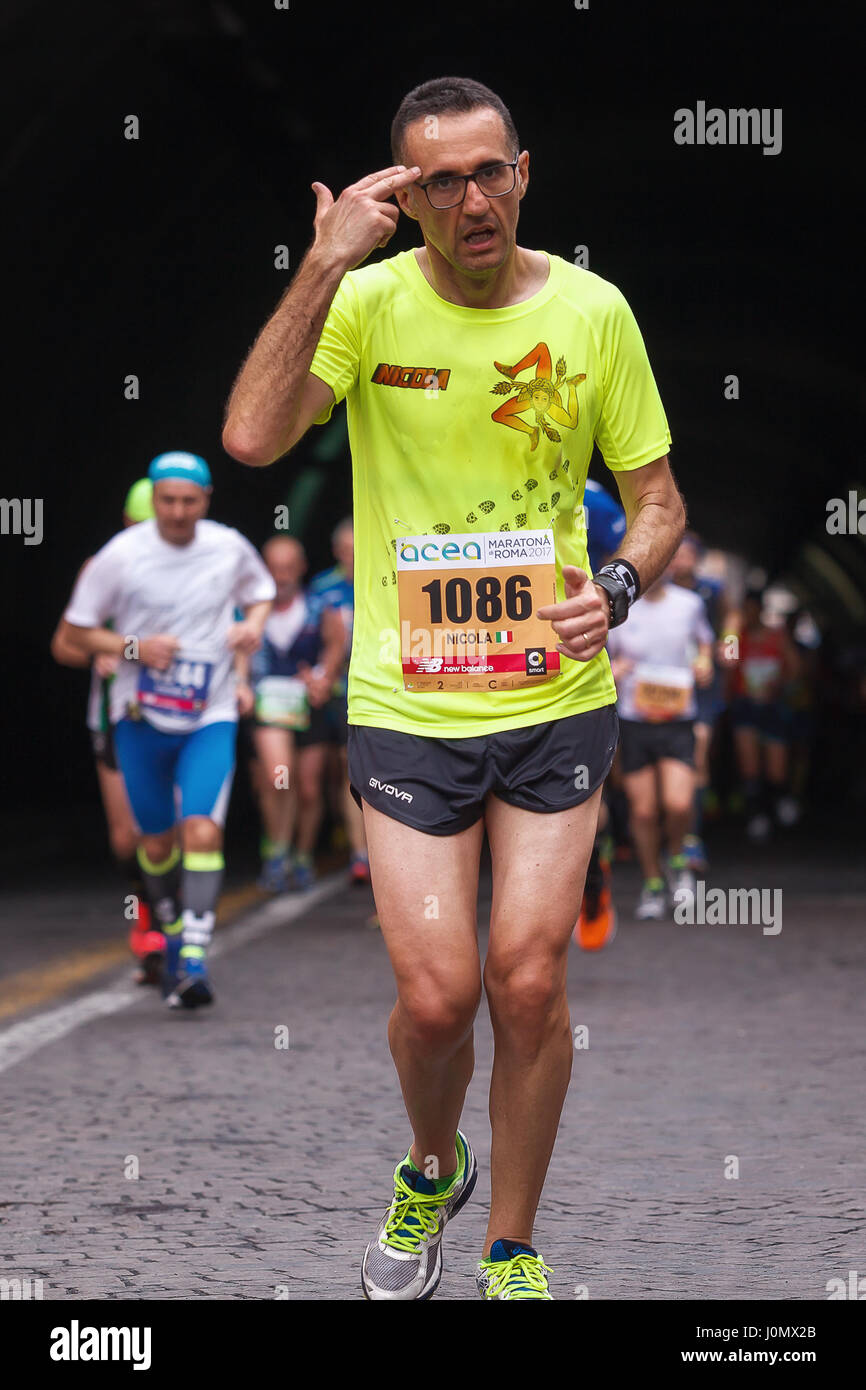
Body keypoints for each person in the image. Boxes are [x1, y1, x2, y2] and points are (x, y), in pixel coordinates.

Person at [222, 77, 684, 1300]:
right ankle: (433, 1164)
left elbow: (657, 503)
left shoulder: (592, 313)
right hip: (406, 705)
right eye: (439, 180)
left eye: (489, 172)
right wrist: (321, 266)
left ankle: (513, 1247)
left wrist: (622, 586)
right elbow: (255, 440)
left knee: (527, 975)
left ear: (523, 172)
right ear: (404, 193)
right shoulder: (367, 304)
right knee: (434, 1000)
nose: (470, 199)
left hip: (553, 693)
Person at [59, 451, 275, 1008]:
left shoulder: (227, 546)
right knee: (152, 843)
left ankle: (195, 955)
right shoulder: (120, 556)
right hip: (140, 716)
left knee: (200, 830)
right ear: (153, 499)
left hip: (210, 711)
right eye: (168, 500)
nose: (178, 512)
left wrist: (250, 628)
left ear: (206, 501)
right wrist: (135, 648)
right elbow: (75, 633)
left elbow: (261, 593)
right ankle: (172, 927)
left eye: (190, 501)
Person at [51, 478, 166, 984]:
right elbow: (64, 645)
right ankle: (147, 914)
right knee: (128, 838)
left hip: (181, 712)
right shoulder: (99, 570)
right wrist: (102, 649)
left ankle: (172, 929)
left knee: (174, 827)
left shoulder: (201, 565)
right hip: (116, 717)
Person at [606, 570, 714, 919]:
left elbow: (707, 644)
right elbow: (603, 659)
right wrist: (616, 669)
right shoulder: (620, 608)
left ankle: (678, 859)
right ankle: (652, 882)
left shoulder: (691, 604)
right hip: (635, 720)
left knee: (679, 803)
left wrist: (704, 663)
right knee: (643, 811)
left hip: (678, 718)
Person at [246, 534, 348, 892]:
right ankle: (278, 850)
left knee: (307, 787)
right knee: (279, 776)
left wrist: (323, 677)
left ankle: (302, 854)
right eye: (274, 569)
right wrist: (241, 685)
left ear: (302, 568)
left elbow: (337, 645)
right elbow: (236, 648)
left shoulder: (320, 605)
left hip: (310, 705)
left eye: (289, 568)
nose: (282, 576)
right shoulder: (250, 607)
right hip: (268, 705)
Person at [573, 479, 627, 949]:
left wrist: (600, 604)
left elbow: (626, 556)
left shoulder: (593, 496)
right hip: (486, 655)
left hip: (580, 650)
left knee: (590, 786)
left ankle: (592, 874)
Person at [307, 517, 370, 884]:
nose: (351, 558)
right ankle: (351, 843)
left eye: (356, 550)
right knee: (335, 774)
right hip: (332, 693)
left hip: (371, 692)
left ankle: (363, 852)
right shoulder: (322, 588)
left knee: (356, 769)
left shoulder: (384, 578)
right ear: (335, 553)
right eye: (345, 552)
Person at [668, 532, 729, 870]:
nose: (680, 560)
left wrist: (728, 651)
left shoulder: (712, 591)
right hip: (660, 683)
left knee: (698, 750)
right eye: (674, 554)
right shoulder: (651, 589)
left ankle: (691, 837)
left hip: (701, 684)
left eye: (686, 554)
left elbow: (730, 624)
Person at [727, 590, 801, 841]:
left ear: (760, 610)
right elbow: (728, 663)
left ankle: (780, 800)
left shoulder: (777, 637)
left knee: (776, 770)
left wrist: (779, 685)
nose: (748, 614)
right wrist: (731, 630)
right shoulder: (736, 638)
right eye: (744, 609)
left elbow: (795, 668)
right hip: (744, 705)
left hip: (773, 706)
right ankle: (756, 815)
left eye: (752, 609)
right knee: (750, 766)